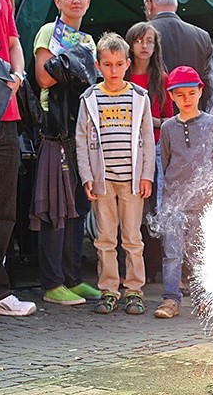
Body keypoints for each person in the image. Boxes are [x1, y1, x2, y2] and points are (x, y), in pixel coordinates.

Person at [76, 32, 155, 315]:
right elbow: (82, 140)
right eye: (107, 64)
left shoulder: (138, 97)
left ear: (127, 64)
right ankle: (109, 290)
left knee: (132, 238)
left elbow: (147, 138)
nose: (113, 70)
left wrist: (147, 174)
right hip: (103, 181)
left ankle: (134, 289)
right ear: (98, 66)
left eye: (118, 64)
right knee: (105, 239)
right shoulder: (89, 98)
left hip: (132, 181)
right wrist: (88, 177)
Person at [31, 0, 101, 305]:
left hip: (81, 131)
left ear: (88, 1)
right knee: (55, 209)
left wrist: (69, 68)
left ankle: (73, 278)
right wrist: (74, 68)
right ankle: (52, 282)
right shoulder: (49, 31)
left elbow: (93, 81)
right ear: (57, 1)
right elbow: (44, 78)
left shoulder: (88, 40)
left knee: (77, 205)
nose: (75, 0)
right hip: (53, 130)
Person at [155, 66, 213, 318]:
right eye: (179, 94)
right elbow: (165, 165)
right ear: (171, 96)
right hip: (174, 203)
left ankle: (204, 298)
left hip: (204, 202)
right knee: (172, 254)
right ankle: (171, 299)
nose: (186, 99)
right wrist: (164, 202)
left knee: (200, 253)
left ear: (200, 92)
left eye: (191, 93)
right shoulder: (168, 128)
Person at [124, 21, 174, 283]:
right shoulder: (121, 75)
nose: (144, 46)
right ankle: (127, 270)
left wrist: (145, 120)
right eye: (139, 40)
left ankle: (151, 268)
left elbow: (169, 121)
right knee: (127, 212)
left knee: (151, 209)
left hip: (152, 150)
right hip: (122, 149)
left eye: (150, 41)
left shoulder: (162, 79)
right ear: (130, 44)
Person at [0, 0, 37, 317]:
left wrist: (18, 76)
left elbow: (13, 42)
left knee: (5, 209)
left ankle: (1, 290)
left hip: (5, 112)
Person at [142, 0, 213, 110]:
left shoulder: (140, 36)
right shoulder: (202, 36)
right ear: (175, 4)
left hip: (155, 118)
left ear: (149, 4)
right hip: (192, 115)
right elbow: (208, 84)